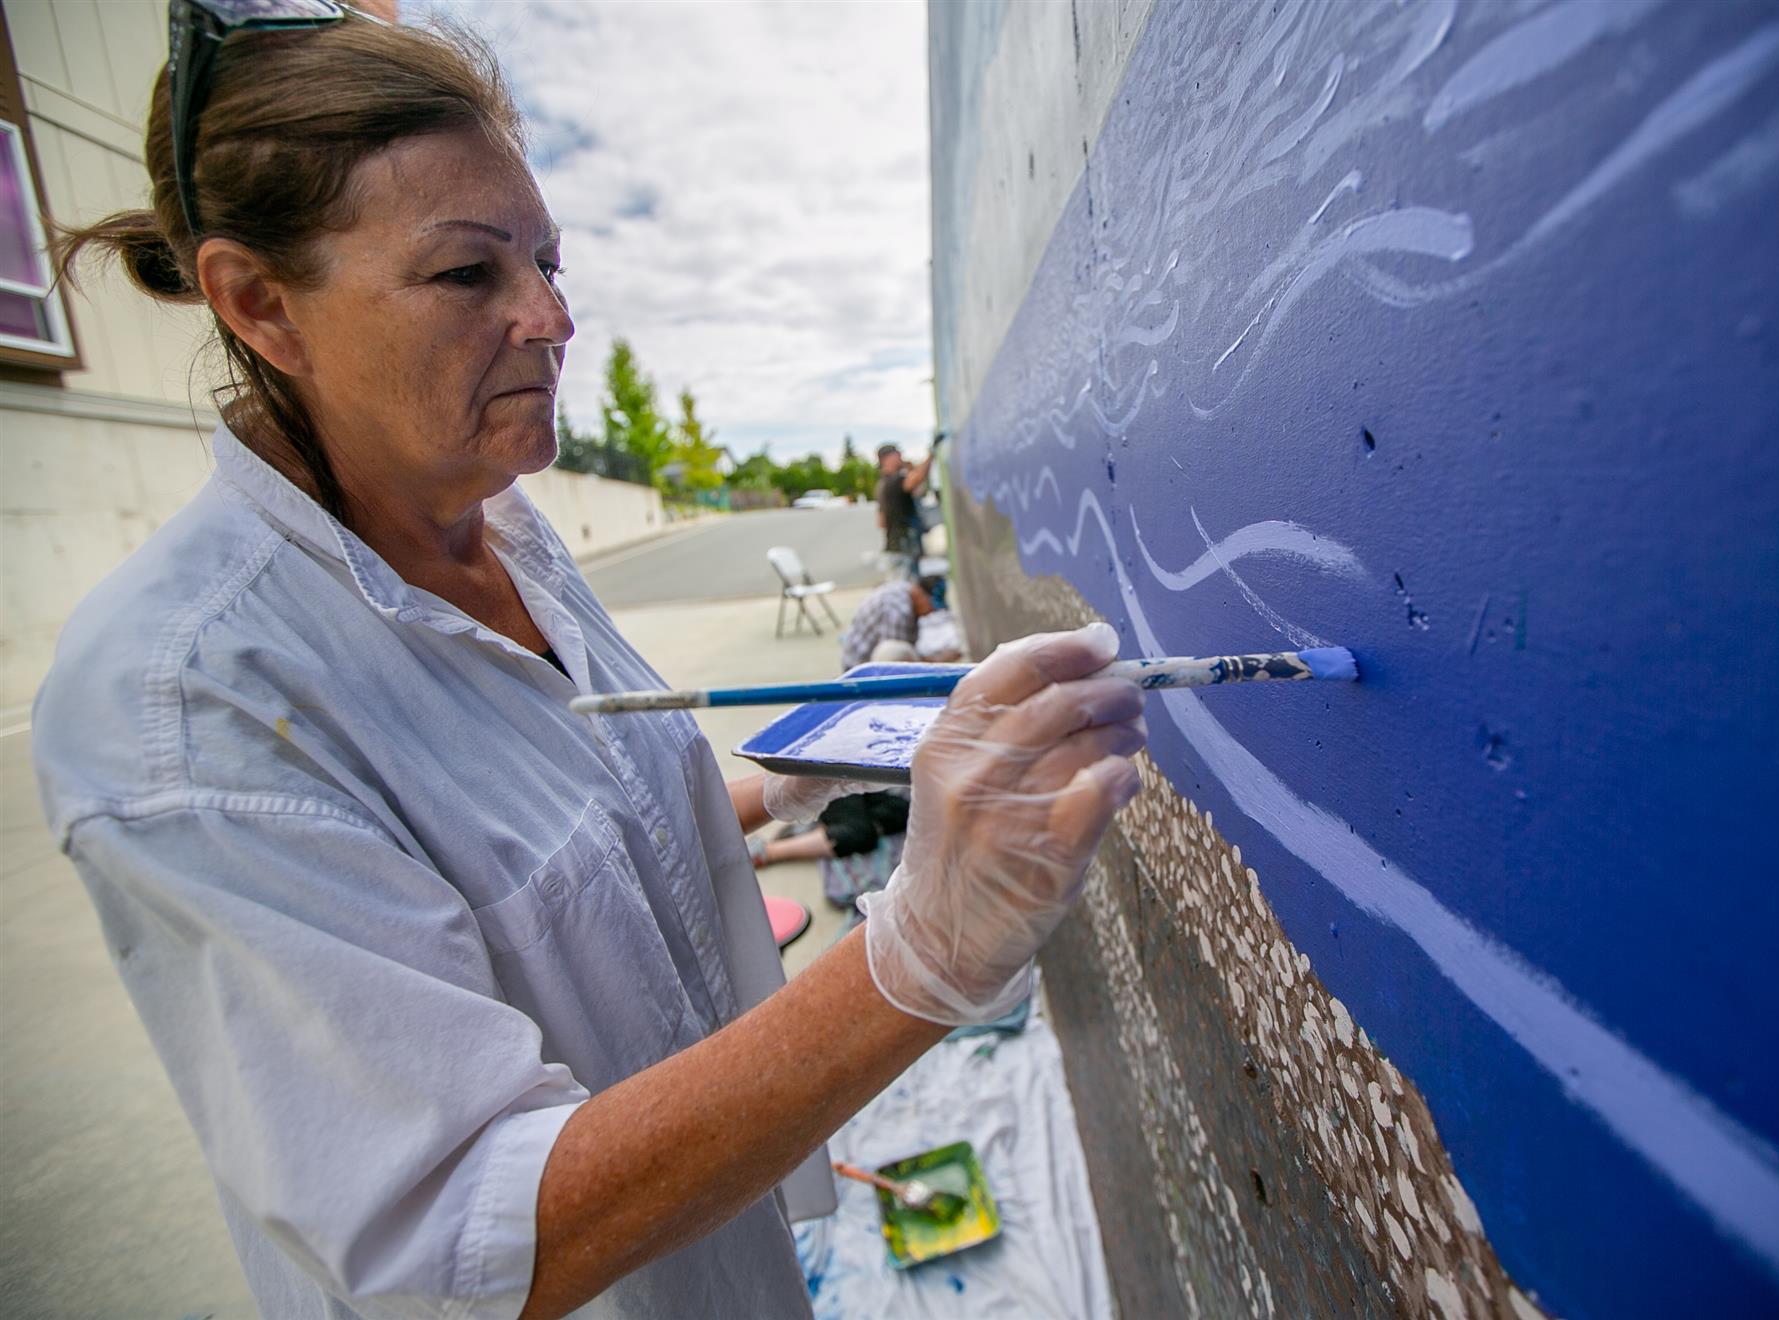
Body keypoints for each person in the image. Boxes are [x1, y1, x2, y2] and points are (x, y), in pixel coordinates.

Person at [34, 12, 1145, 1320]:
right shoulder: (186, 705)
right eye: (468, 276)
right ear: (258, 302)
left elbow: (558, 864)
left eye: (550, 261)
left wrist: (800, 771)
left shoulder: (500, 520)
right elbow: (455, 1243)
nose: (553, 317)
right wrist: (921, 957)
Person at [839, 574, 955, 672]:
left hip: (875, 661)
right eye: (931, 606)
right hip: (860, 667)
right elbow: (896, 662)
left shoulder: (906, 591)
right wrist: (937, 664)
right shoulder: (896, 610)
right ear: (921, 594)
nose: (930, 612)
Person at [873, 442, 931, 577]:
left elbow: (881, 523)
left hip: (895, 548)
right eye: (897, 454)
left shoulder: (882, 484)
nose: (901, 457)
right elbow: (917, 478)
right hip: (903, 548)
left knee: (902, 589)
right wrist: (931, 454)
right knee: (908, 590)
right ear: (886, 459)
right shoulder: (894, 480)